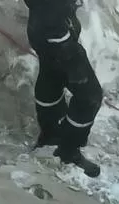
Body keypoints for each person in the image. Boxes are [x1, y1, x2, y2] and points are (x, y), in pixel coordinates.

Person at [25, 0, 103, 177]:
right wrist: (65, 46)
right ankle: (67, 151)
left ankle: (50, 137)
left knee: (51, 74)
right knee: (89, 96)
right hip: (55, 34)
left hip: (44, 28)